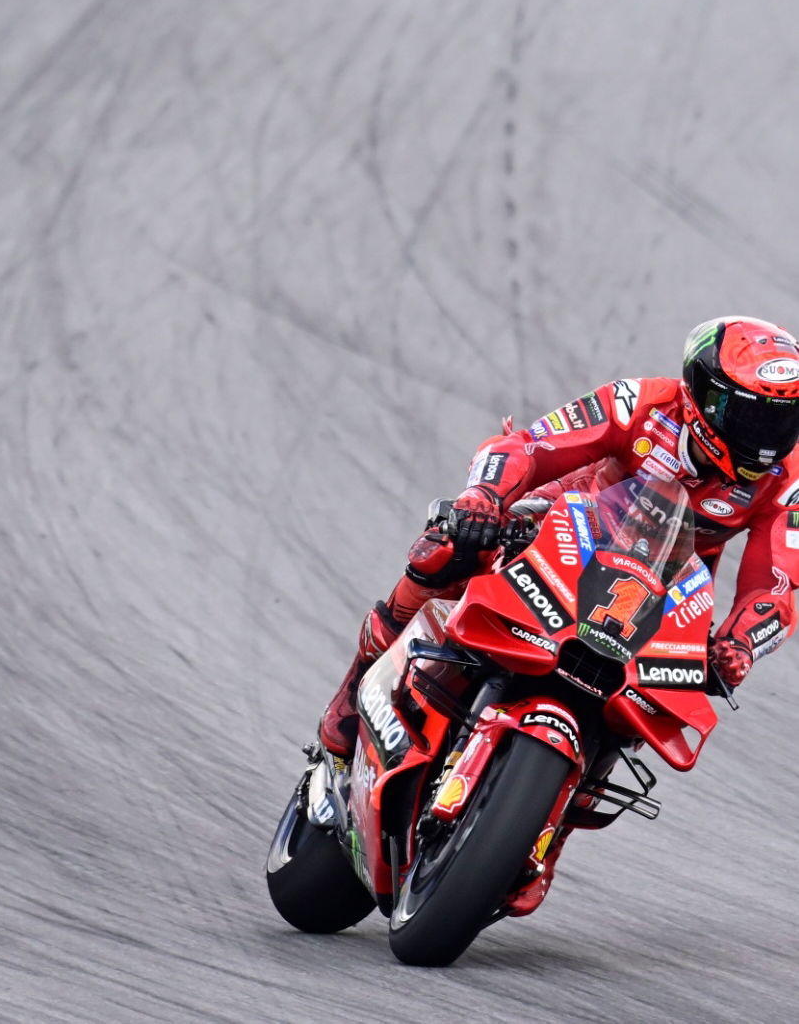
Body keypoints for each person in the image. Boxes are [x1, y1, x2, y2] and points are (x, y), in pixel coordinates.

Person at [319, 315, 799, 909]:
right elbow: (530, 446)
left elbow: (777, 582)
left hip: (665, 586)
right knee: (448, 546)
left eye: (784, 416)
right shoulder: (641, 404)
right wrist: (484, 499)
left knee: (652, 697)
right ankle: (354, 686)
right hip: (570, 523)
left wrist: (741, 642)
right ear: (702, 394)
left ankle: (550, 825)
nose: (769, 435)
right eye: (753, 414)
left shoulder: (788, 478)